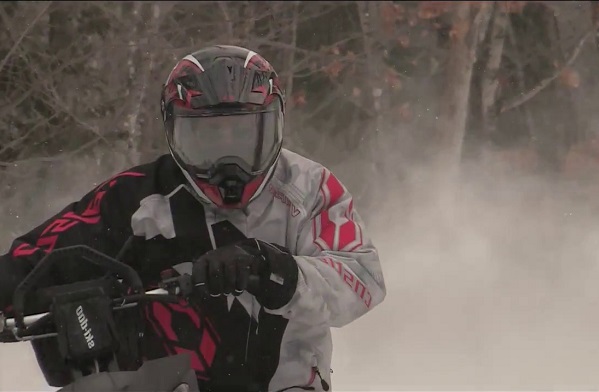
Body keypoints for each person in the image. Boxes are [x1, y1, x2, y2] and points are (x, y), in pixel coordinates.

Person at [0, 45, 386, 392]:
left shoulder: (310, 188)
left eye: (242, 136)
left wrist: (272, 270)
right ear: (173, 133)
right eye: (208, 139)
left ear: (275, 126)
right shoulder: (136, 197)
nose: (227, 163)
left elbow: (363, 278)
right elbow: (38, 257)